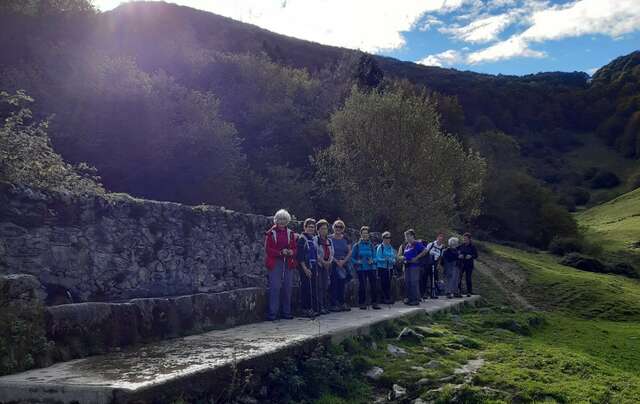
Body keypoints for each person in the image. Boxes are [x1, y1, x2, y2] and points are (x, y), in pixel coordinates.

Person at [264, 209, 297, 321]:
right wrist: (279, 252)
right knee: (275, 287)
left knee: (288, 287)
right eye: (280, 219)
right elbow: (268, 249)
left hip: (288, 262)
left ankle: (286, 312)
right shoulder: (270, 233)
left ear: (287, 220)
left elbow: (294, 248)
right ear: (276, 220)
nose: (282, 221)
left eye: (284, 219)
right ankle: (273, 313)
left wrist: (291, 252)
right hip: (275, 262)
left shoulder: (291, 233)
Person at [398, 229, 428, 306]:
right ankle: (410, 298)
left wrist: (417, 257)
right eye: (405, 236)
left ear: (412, 236)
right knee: (408, 283)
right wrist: (402, 258)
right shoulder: (407, 245)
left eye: (408, 236)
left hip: (414, 266)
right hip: (407, 266)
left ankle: (416, 299)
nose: (406, 238)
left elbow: (425, 250)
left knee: (414, 283)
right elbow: (405, 255)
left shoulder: (416, 243)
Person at [352, 226, 380, 310]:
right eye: (363, 233)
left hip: (371, 268)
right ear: (360, 234)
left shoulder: (371, 245)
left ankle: (374, 303)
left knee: (374, 286)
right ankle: (362, 303)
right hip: (361, 269)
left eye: (366, 233)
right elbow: (352, 258)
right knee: (362, 286)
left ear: (368, 235)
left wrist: (373, 261)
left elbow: (376, 257)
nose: (365, 235)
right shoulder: (356, 246)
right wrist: (358, 262)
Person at [296, 218, 318, 317]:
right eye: (309, 227)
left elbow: (315, 254)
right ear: (305, 227)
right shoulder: (302, 239)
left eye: (313, 227)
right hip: (305, 267)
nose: (311, 229)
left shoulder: (312, 239)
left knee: (312, 288)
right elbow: (300, 256)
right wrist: (305, 268)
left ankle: (311, 308)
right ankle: (305, 309)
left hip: (312, 266)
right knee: (305, 288)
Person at [329, 220, 352, 312]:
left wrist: (343, 261)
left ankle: (342, 303)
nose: (338, 228)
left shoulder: (346, 239)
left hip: (343, 264)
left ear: (343, 229)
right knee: (333, 284)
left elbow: (350, 251)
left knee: (342, 284)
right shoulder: (329, 238)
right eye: (336, 227)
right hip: (333, 263)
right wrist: (335, 261)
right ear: (333, 227)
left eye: (340, 227)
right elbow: (328, 251)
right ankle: (334, 304)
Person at [314, 219, 334, 314]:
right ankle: (320, 306)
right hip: (319, 266)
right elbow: (315, 252)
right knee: (319, 286)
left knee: (326, 285)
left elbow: (332, 252)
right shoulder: (315, 239)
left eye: (325, 229)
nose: (324, 231)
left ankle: (325, 305)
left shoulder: (329, 240)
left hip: (327, 266)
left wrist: (329, 261)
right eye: (322, 229)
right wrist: (323, 262)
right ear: (318, 230)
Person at [376, 231, 396, 304]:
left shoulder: (391, 247)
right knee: (383, 283)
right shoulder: (380, 247)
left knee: (388, 283)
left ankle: (387, 297)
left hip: (390, 268)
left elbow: (393, 257)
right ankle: (384, 298)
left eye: (389, 238)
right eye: (387, 238)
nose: (388, 239)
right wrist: (385, 260)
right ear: (383, 238)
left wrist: (393, 260)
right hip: (382, 268)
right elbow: (377, 258)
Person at [424, 233, 446, 299]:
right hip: (428, 263)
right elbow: (425, 252)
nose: (440, 240)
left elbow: (440, 257)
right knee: (425, 278)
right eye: (439, 238)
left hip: (435, 263)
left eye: (441, 239)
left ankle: (433, 293)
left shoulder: (442, 247)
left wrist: (438, 265)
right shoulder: (431, 244)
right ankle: (424, 293)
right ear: (437, 238)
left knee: (433, 278)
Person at [458, 232, 479, 297]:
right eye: (464, 238)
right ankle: (458, 291)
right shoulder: (461, 245)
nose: (464, 240)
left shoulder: (473, 247)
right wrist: (459, 255)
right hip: (461, 264)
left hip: (469, 264)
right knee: (459, 278)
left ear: (469, 239)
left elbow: (476, 255)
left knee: (468, 278)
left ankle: (469, 292)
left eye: (466, 239)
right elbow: (456, 251)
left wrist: (471, 256)